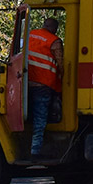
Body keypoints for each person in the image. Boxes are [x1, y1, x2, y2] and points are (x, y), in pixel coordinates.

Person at [27, 15, 64, 159]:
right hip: (44, 84)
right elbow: (61, 65)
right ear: (54, 29)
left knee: (25, 116)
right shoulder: (54, 41)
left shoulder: (30, 35)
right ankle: (35, 151)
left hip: (25, 82)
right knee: (40, 119)